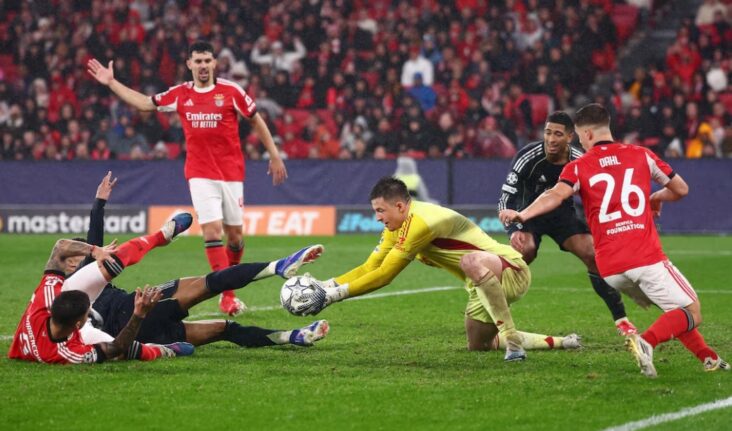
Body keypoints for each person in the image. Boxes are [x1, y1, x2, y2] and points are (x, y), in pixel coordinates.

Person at [499, 103, 729, 377]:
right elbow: (681, 189)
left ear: (587, 134)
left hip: (610, 269)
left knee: (675, 312)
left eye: (580, 137)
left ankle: (709, 358)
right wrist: (656, 197)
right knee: (692, 312)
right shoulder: (641, 154)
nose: (581, 143)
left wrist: (522, 214)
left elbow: (554, 195)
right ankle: (646, 342)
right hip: (644, 258)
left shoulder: (578, 166)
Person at [87, 40, 287, 316]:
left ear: (214, 63)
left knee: (235, 238)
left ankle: (228, 283)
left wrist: (274, 155)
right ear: (189, 64)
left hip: (231, 173)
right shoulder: (180, 94)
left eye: (207, 61)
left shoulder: (231, 91)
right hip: (199, 173)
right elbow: (145, 103)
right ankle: (227, 296)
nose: (203, 66)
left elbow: (255, 119)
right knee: (212, 231)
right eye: (198, 61)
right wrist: (111, 82)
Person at [298, 177, 581, 362]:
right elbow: (371, 266)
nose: (377, 218)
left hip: (510, 268)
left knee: (470, 261)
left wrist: (333, 297)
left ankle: (514, 344)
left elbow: (385, 276)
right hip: (481, 285)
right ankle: (560, 342)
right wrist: (327, 284)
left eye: (380, 211)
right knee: (480, 346)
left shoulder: (421, 222)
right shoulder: (397, 226)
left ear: (400, 206)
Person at [78, 172, 328, 351]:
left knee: (226, 330)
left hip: (136, 337)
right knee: (212, 283)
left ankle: (293, 336)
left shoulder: (68, 292)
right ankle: (278, 266)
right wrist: (99, 204)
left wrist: (99, 204)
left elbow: (93, 242)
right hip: (137, 308)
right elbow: (93, 242)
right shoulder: (79, 277)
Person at [498, 111, 636, 336]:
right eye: (547, 132)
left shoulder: (579, 159)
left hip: (562, 216)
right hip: (527, 216)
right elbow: (506, 197)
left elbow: (597, 198)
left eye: (558, 134)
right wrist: (513, 229)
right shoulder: (528, 157)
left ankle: (622, 320)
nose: (551, 139)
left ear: (570, 137)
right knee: (525, 251)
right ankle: (493, 311)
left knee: (592, 254)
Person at [8, 210, 196, 364]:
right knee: (126, 352)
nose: (91, 308)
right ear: (80, 323)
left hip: (65, 322)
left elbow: (60, 247)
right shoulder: (69, 353)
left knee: (110, 260)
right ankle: (163, 350)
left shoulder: (46, 298)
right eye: (88, 311)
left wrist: (94, 250)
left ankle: (162, 235)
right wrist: (138, 315)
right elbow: (116, 348)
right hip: (79, 335)